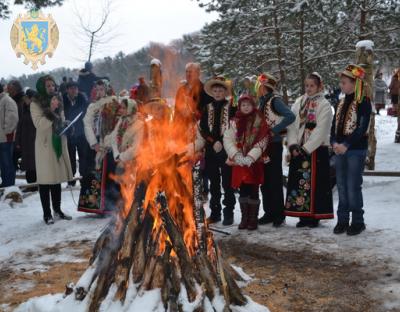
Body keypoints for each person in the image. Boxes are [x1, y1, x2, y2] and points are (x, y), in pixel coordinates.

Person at [285, 72, 334, 228]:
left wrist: (306, 149)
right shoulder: (299, 102)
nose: (309, 88)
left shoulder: (324, 104)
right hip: (298, 149)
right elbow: (292, 125)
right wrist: (293, 145)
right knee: (299, 183)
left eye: (312, 86)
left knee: (316, 184)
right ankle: (302, 214)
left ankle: (314, 216)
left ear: (319, 86)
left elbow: (321, 130)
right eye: (306, 85)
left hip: (315, 150)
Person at [331, 64, 372, 236]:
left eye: (345, 82)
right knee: (341, 185)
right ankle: (342, 220)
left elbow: (362, 128)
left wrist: (346, 145)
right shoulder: (340, 102)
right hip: (339, 149)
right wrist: (333, 142)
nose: (341, 85)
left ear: (355, 83)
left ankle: (357, 221)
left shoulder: (363, 101)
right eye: (341, 82)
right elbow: (334, 125)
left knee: (352, 185)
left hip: (355, 150)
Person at [191, 76, 236, 225]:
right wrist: (213, 141)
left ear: (225, 92)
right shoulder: (207, 108)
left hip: (226, 149)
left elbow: (233, 128)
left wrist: (223, 142)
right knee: (214, 183)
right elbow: (202, 128)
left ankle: (228, 212)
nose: (217, 93)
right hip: (211, 150)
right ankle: (215, 213)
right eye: (215, 90)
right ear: (212, 92)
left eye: (220, 90)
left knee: (227, 183)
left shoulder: (231, 108)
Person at [223, 95, 271, 230]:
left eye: (248, 105)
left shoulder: (259, 120)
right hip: (239, 161)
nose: (246, 107)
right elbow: (228, 139)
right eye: (243, 105)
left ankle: (253, 219)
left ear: (253, 106)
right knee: (243, 189)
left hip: (254, 162)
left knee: (253, 189)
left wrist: (251, 157)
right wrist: (236, 155)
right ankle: (244, 218)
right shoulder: (233, 121)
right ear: (239, 106)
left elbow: (263, 139)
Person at [31, 75, 73, 224]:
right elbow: (40, 124)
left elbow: (60, 119)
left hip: (57, 141)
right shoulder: (35, 104)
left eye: (52, 85)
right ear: (42, 87)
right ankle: (47, 214)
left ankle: (58, 210)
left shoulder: (57, 100)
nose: (51, 88)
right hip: (44, 145)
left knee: (56, 179)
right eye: (48, 86)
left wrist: (66, 124)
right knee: (45, 180)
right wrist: (51, 110)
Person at [257, 73, 295, 227]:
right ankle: (269, 212)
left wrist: (275, 130)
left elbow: (290, 116)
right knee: (264, 180)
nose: (257, 88)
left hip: (274, 144)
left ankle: (279, 214)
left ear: (264, 87)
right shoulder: (262, 101)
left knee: (274, 179)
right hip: (263, 145)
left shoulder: (275, 100)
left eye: (259, 86)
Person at [80, 79, 120, 214]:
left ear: (107, 88)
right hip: (96, 146)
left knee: (111, 174)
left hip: (110, 145)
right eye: (97, 89)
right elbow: (86, 123)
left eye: (102, 89)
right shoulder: (93, 106)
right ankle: (94, 205)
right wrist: (94, 143)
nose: (99, 92)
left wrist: (110, 141)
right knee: (93, 174)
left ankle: (111, 206)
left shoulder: (115, 102)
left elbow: (119, 123)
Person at [62, 81, 90, 186]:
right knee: (70, 157)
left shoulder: (82, 100)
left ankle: (84, 179)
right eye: (72, 88)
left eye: (76, 88)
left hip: (81, 133)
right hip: (69, 134)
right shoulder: (63, 101)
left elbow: (86, 114)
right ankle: (71, 179)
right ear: (67, 90)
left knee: (83, 157)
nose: (74, 90)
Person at [15, 89, 37, 190]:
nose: (25, 100)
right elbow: (20, 126)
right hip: (26, 142)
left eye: (27, 98)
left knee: (34, 165)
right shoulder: (24, 109)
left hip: (34, 141)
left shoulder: (36, 110)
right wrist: (18, 140)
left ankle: (34, 185)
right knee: (29, 166)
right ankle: (31, 185)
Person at [0, 83, 19, 187]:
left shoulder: (7, 100)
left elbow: (12, 119)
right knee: (3, 164)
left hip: (6, 138)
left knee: (7, 163)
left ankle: (9, 186)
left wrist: (6, 132)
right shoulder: (2, 100)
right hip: (1, 138)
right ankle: (5, 184)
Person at [6, 80, 25, 172]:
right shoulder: (12, 100)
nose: (8, 91)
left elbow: (20, 117)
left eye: (10, 89)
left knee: (16, 153)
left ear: (15, 89)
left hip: (18, 131)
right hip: (14, 131)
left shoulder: (20, 101)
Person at [389, 70, 400, 143]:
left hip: (395, 94)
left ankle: (398, 136)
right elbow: (391, 85)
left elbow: (390, 86)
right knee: (395, 105)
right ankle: (398, 136)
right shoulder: (395, 78)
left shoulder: (395, 78)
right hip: (396, 94)